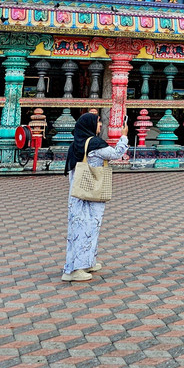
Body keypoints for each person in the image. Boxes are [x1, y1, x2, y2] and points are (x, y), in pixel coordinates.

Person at [62, 112, 129, 282]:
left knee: (84, 228)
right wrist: (124, 136)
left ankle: (86, 262)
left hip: (78, 194)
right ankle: (73, 270)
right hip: (91, 193)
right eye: (98, 123)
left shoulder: (76, 144)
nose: (100, 126)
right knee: (85, 228)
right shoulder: (94, 144)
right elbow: (116, 153)